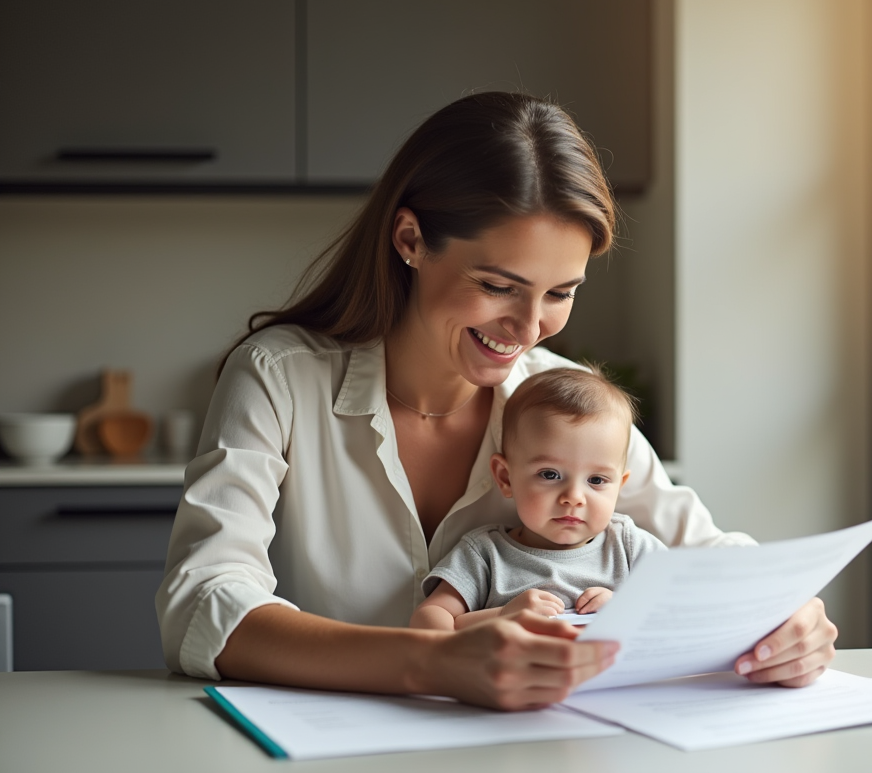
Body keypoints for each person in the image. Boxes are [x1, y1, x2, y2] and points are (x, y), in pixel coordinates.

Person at [155, 92, 837, 712]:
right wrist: (431, 662)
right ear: (410, 240)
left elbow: (713, 557)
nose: (529, 326)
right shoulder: (278, 376)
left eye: (561, 293)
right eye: (498, 284)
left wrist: (785, 615)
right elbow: (203, 602)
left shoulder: (567, 406)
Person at [410, 367, 666, 631]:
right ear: (505, 478)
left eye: (597, 480)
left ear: (619, 486)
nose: (573, 498)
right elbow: (428, 621)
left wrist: (629, 607)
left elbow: (685, 612)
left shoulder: (629, 547)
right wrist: (501, 616)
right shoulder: (485, 555)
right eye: (550, 474)